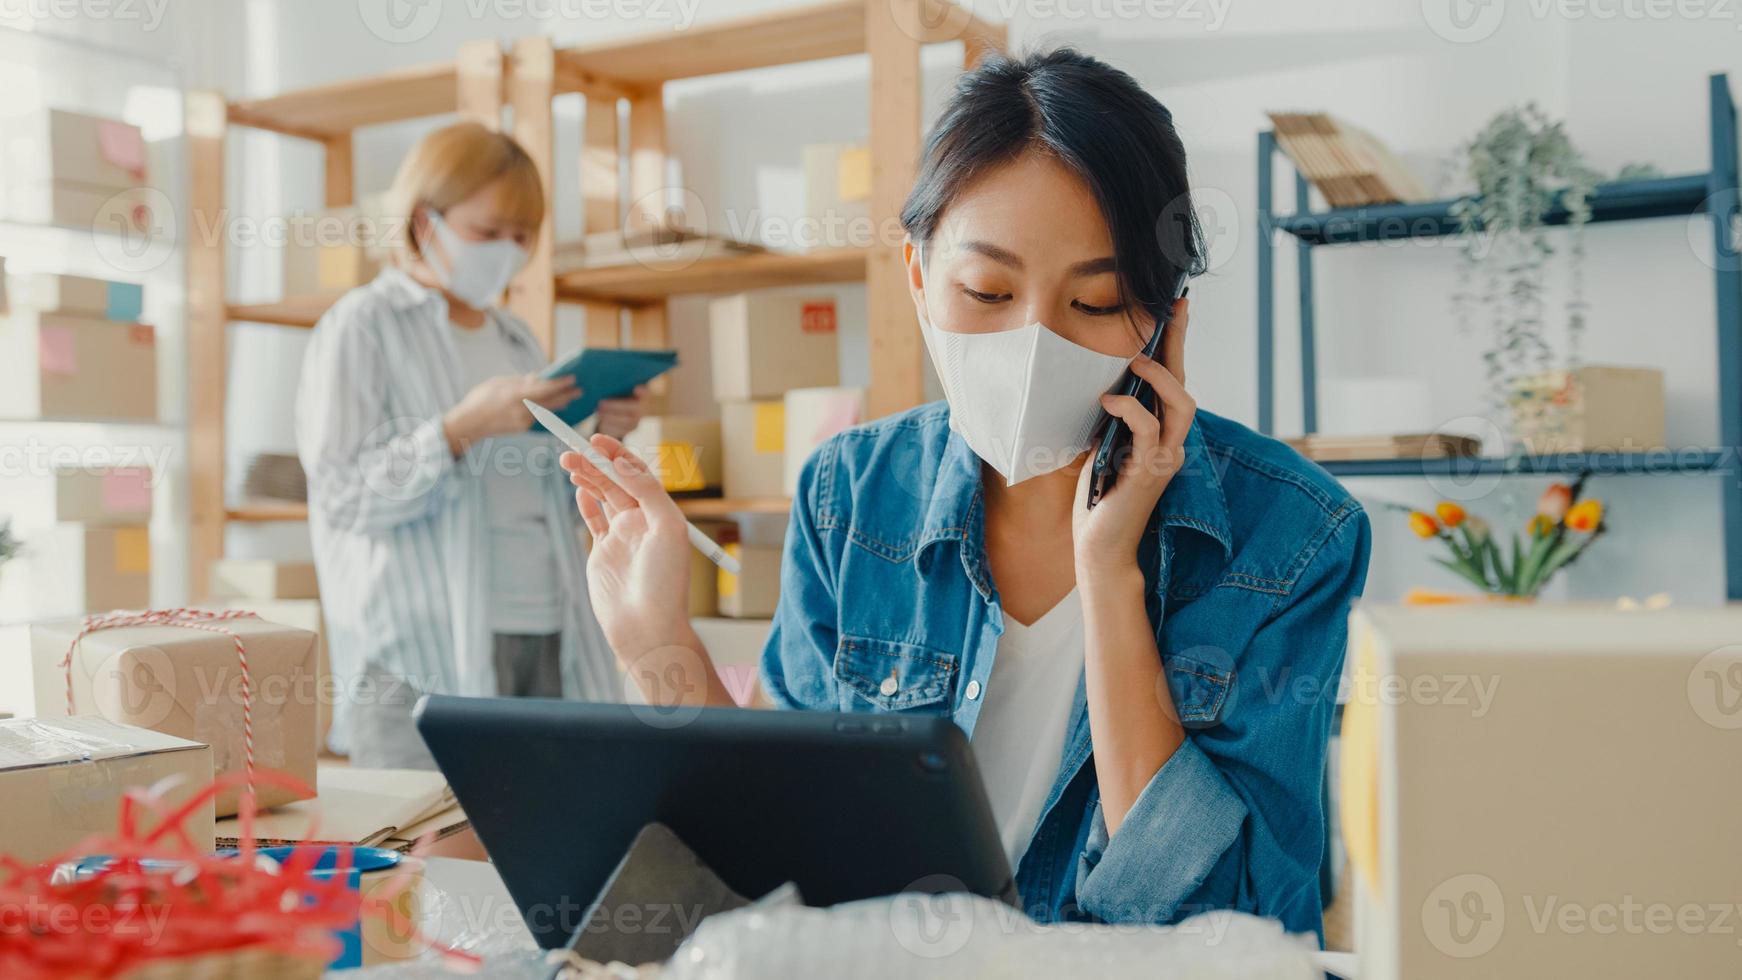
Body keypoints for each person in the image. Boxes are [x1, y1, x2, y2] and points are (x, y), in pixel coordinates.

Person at [560, 50, 1369, 937]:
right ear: (917, 275)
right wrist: (656, 644)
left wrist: (1109, 575)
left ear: (1167, 319)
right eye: (987, 290)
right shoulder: (852, 492)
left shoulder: (1293, 534)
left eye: (1096, 304)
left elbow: (1238, 926)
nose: (1032, 343)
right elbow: (779, 847)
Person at [296, 122, 645, 769]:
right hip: (419, 650)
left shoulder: (516, 341)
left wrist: (602, 434)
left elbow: (549, 500)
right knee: (421, 859)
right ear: (426, 223)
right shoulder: (362, 327)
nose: (508, 253)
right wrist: (457, 430)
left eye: (523, 236)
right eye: (489, 233)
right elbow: (342, 496)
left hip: (547, 631)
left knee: (539, 850)